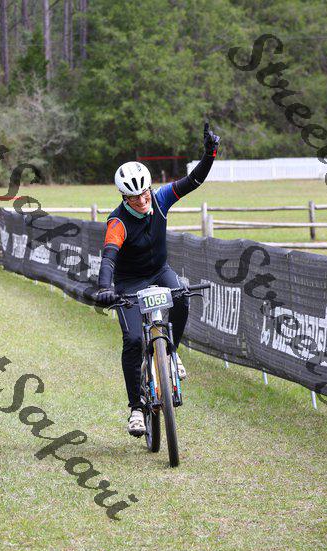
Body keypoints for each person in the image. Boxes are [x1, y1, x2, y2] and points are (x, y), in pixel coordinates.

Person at [97, 122, 220, 436]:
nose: (142, 201)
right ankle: (136, 409)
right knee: (133, 341)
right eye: (134, 197)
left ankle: (172, 353)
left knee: (181, 295)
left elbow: (193, 180)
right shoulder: (117, 222)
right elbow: (109, 257)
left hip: (158, 271)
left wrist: (210, 154)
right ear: (124, 197)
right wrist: (105, 287)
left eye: (144, 193)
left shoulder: (160, 199)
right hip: (128, 282)